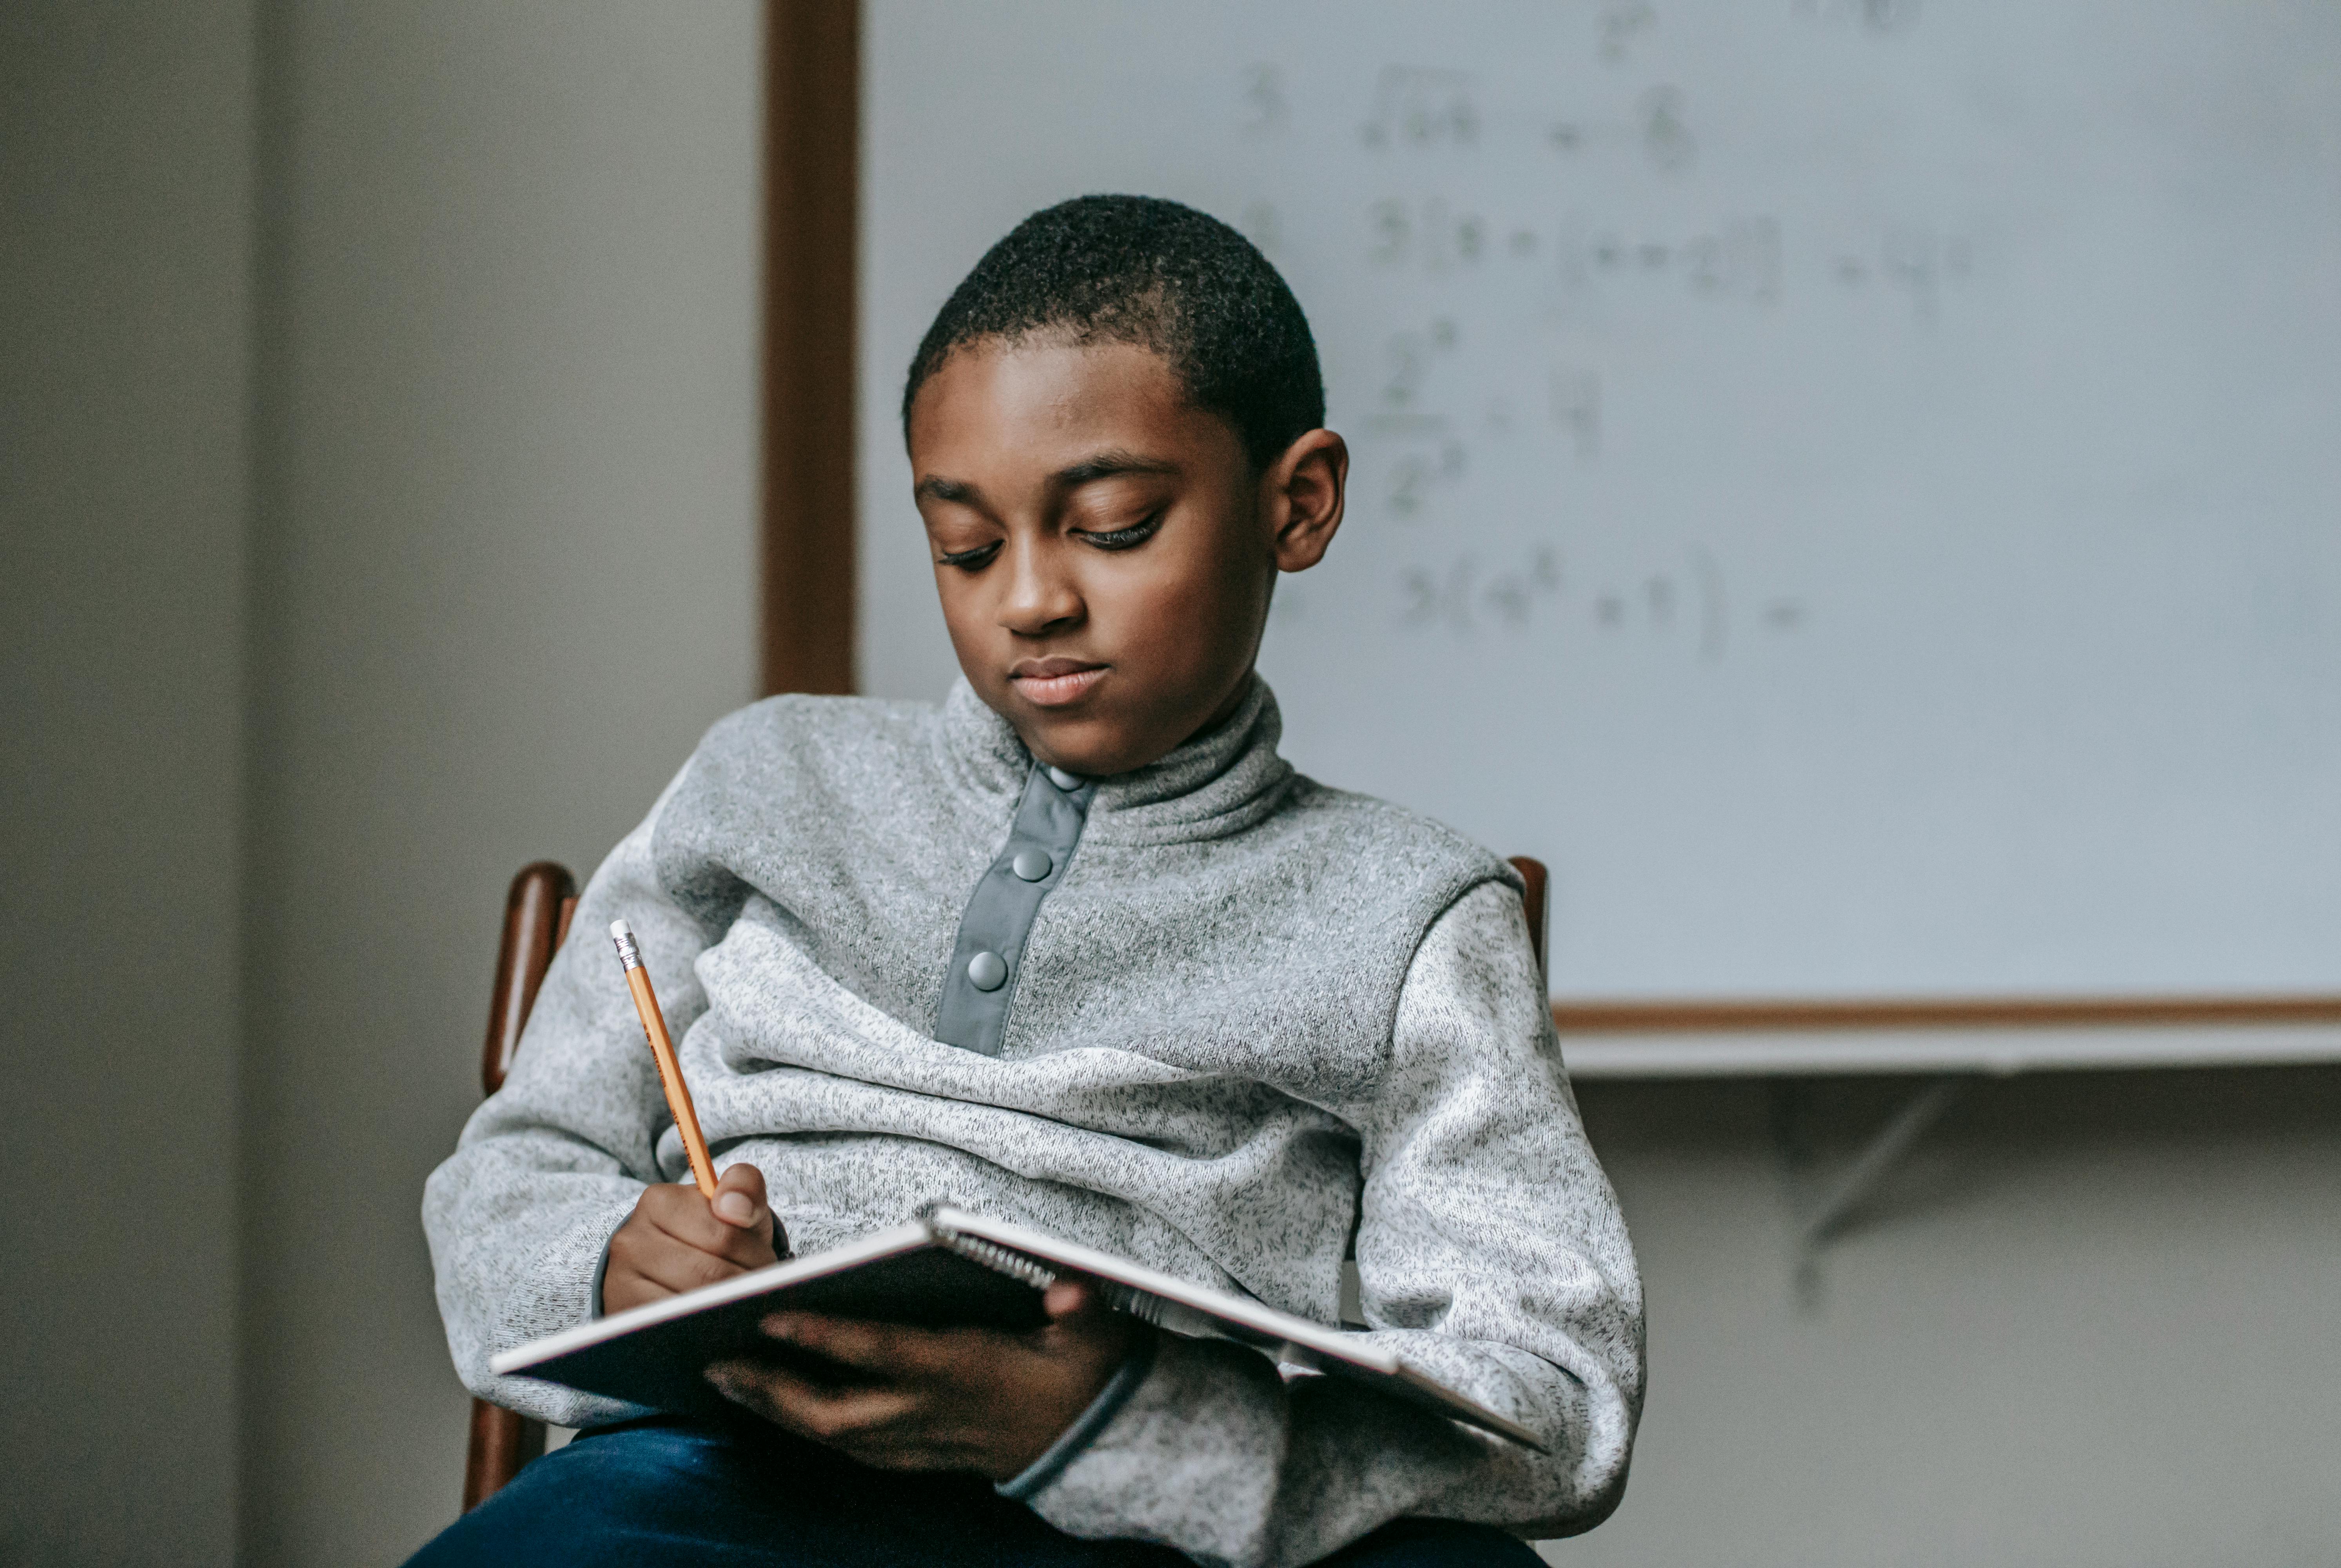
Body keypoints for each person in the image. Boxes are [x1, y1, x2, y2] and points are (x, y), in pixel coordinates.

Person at [412, 195, 1642, 1568]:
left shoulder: (1410, 910)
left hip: (1148, 1526)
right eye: (966, 545)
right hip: (715, 1485)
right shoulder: (764, 783)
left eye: (1111, 527)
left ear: (1296, 505)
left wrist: (1125, 1421)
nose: (1030, 602)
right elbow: (515, 1175)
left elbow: (1556, 1395)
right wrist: (611, 1269)